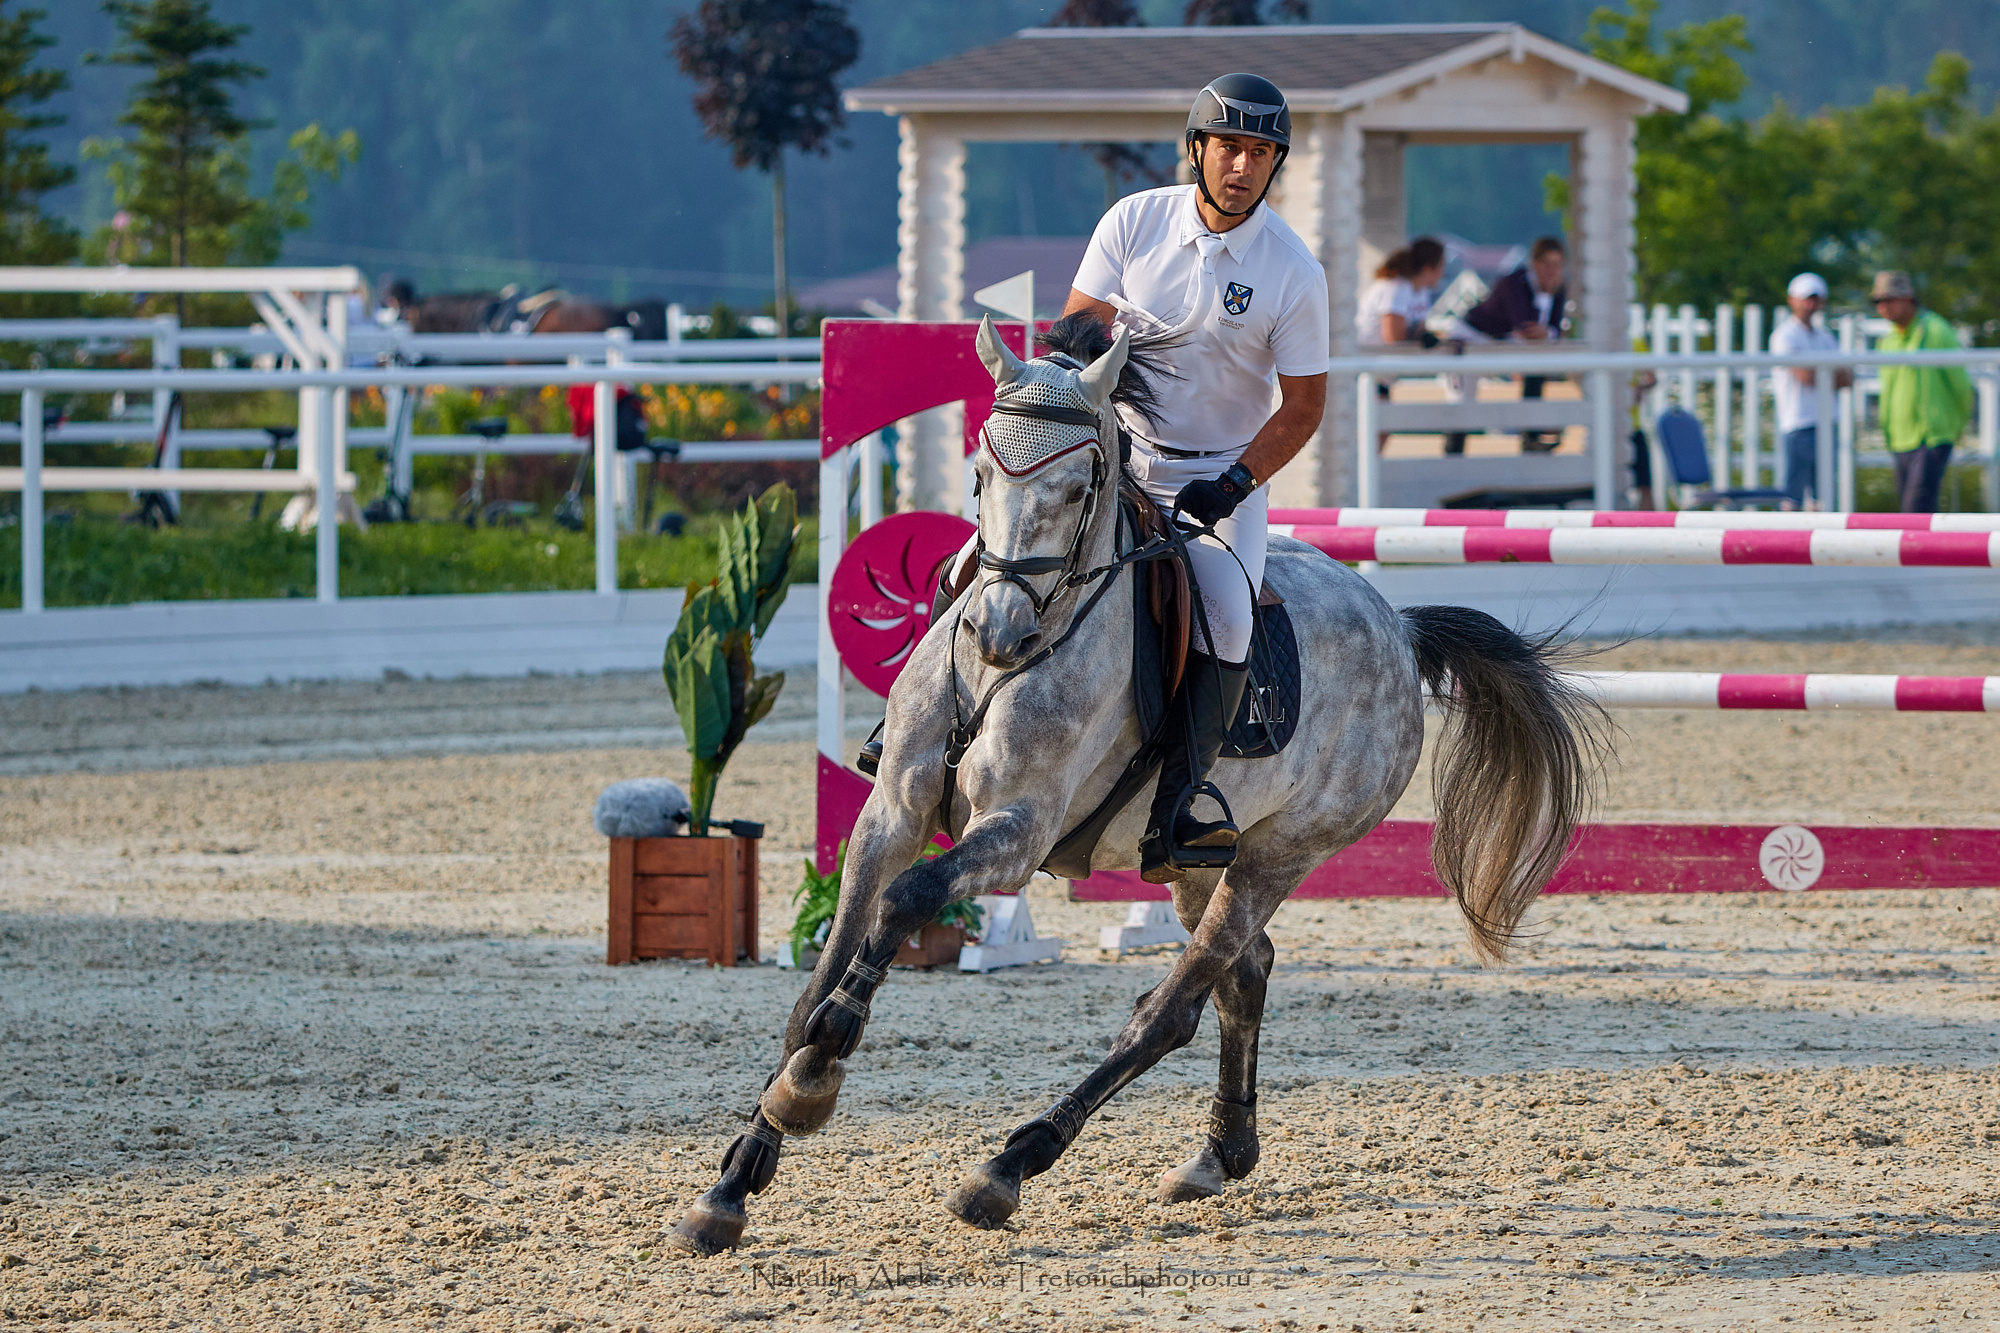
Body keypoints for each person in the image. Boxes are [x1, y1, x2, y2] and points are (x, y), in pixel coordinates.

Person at [1062, 71, 1329, 883]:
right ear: (1195, 149)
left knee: (1225, 617)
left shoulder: (1292, 270)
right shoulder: (1133, 222)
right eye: (1229, 148)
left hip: (1217, 479)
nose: (1243, 167)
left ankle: (1180, 807)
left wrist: (1238, 481)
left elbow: (1304, 408)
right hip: (1119, 455)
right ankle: (918, 732)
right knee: (1001, 553)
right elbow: (1076, 335)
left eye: (1260, 152)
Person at [1453, 236, 1568, 453]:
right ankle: (1454, 453)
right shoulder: (1514, 282)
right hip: (1474, 335)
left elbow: (1552, 330)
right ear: (1535, 263)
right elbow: (1525, 326)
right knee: (1464, 399)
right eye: (1547, 264)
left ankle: (1530, 438)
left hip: (1501, 340)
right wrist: (1546, 320)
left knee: (1536, 370)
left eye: (1557, 265)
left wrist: (1546, 329)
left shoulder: (1558, 288)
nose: (1552, 271)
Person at [1872, 270, 1974, 514]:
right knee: (1912, 512)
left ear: (1908, 298)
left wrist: (1955, 426)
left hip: (1931, 436)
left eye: (1889, 299)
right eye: (1877, 301)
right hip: (1899, 437)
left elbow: (1961, 385)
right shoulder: (1887, 341)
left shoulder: (1936, 330)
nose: (1883, 306)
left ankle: (1924, 553)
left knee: (1916, 509)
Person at [1768, 272, 1849, 509]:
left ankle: (1815, 541)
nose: (1810, 304)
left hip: (1824, 421)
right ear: (1791, 299)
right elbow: (1807, 376)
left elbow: (1845, 377)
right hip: (1799, 422)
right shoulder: (1785, 336)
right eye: (1806, 298)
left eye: (1815, 298)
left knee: (1822, 492)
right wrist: (1828, 373)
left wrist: (1821, 374)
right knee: (1793, 491)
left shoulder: (1824, 336)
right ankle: (1786, 542)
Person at [1356, 237, 1445, 347]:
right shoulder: (1396, 288)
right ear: (1427, 269)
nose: (1442, 273)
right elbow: (1393, 339)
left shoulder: (1421, 291)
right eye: (1441, 266)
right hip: (1371, 358)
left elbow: (1420, 331)